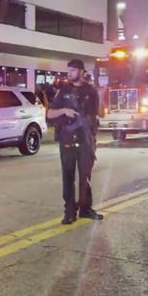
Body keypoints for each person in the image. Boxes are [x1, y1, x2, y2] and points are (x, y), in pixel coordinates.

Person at [47, 59, 103, 224]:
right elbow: (50, 114)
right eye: (68, 70)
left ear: (81, 71)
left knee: (85, 175)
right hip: (67, 138)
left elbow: (94, 116)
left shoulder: (91, 91)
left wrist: (93, 139)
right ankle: (69, 211)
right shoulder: (63, 91)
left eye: (72, 70)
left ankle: (85, 208)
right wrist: (64, 110)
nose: (69, 73)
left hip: (85, 138)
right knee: (68, 176)